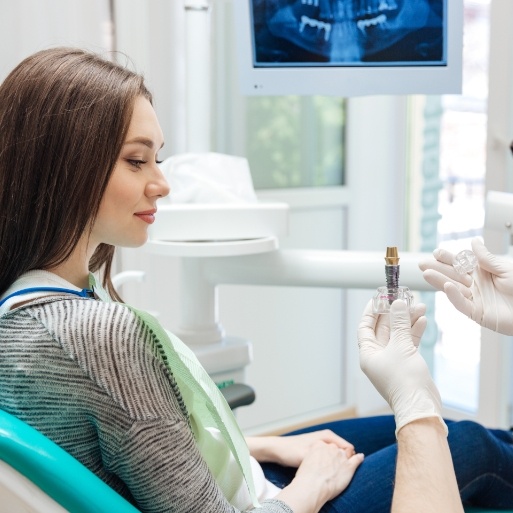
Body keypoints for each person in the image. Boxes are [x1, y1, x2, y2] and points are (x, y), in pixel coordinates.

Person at [0, 47, 510, 513]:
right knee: (470, 444)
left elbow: (142, 453)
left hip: (231, 482)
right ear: (63, 165)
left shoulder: (25, 308)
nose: (162, 182)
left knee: (436, 437)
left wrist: (265, 445)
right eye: (137, 160)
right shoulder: (99, 335)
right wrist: (311, 483)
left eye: (158, 158)